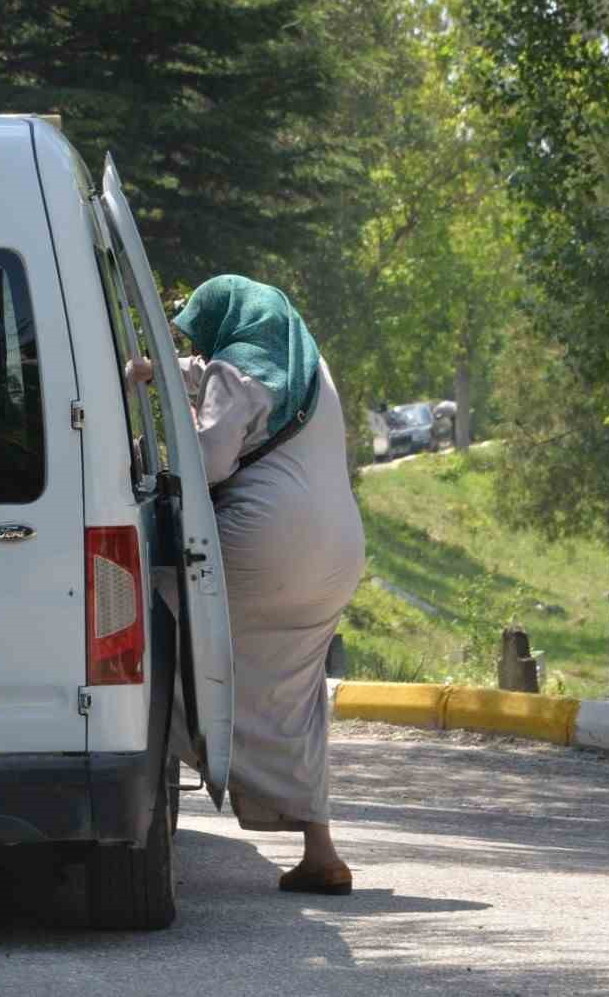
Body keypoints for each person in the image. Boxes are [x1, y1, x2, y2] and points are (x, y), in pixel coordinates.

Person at [128, 274, 365, 895]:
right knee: (297, 694)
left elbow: (208, 462)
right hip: (335, 555)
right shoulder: (302, 363)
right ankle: (321, 851)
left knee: (149, 616)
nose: (205, 350)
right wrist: (158, 368)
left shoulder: (237, 375)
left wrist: (143, 458)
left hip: (265, 545)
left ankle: (158, 763)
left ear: (229, 328)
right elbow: (212, 374)